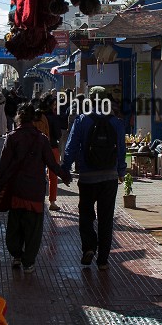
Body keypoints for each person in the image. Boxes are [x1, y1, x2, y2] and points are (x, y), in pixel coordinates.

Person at [0, 102, 69, 273]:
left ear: (18, 117)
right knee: (33, 229)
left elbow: (3, 165)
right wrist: (65, 175)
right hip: (35, 191)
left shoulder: (12, 137)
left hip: (16, 189)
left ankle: (17, 255)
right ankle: (28, 262)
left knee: (15, 225)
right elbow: (52, 164)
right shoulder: (42, 139)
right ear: (33, 118)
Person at [61, 88, 127, 270]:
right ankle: (103, 259)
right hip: (110, 178)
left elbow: (71, 147)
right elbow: (121, 149)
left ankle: (89, 247)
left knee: (86, 215)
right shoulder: (116, 122)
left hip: (87, 177)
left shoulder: (82, 120)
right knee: (106, 217)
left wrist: (65, 170)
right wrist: (121, 171)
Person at [38, 93, 63, 210]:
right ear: (52, 104)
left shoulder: (38, 116)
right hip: (52, 148)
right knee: (53, 176)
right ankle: (52, 202)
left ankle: (38, 198)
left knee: (37, 173)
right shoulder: (54, 117)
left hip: (38, 148)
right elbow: (58, 135)